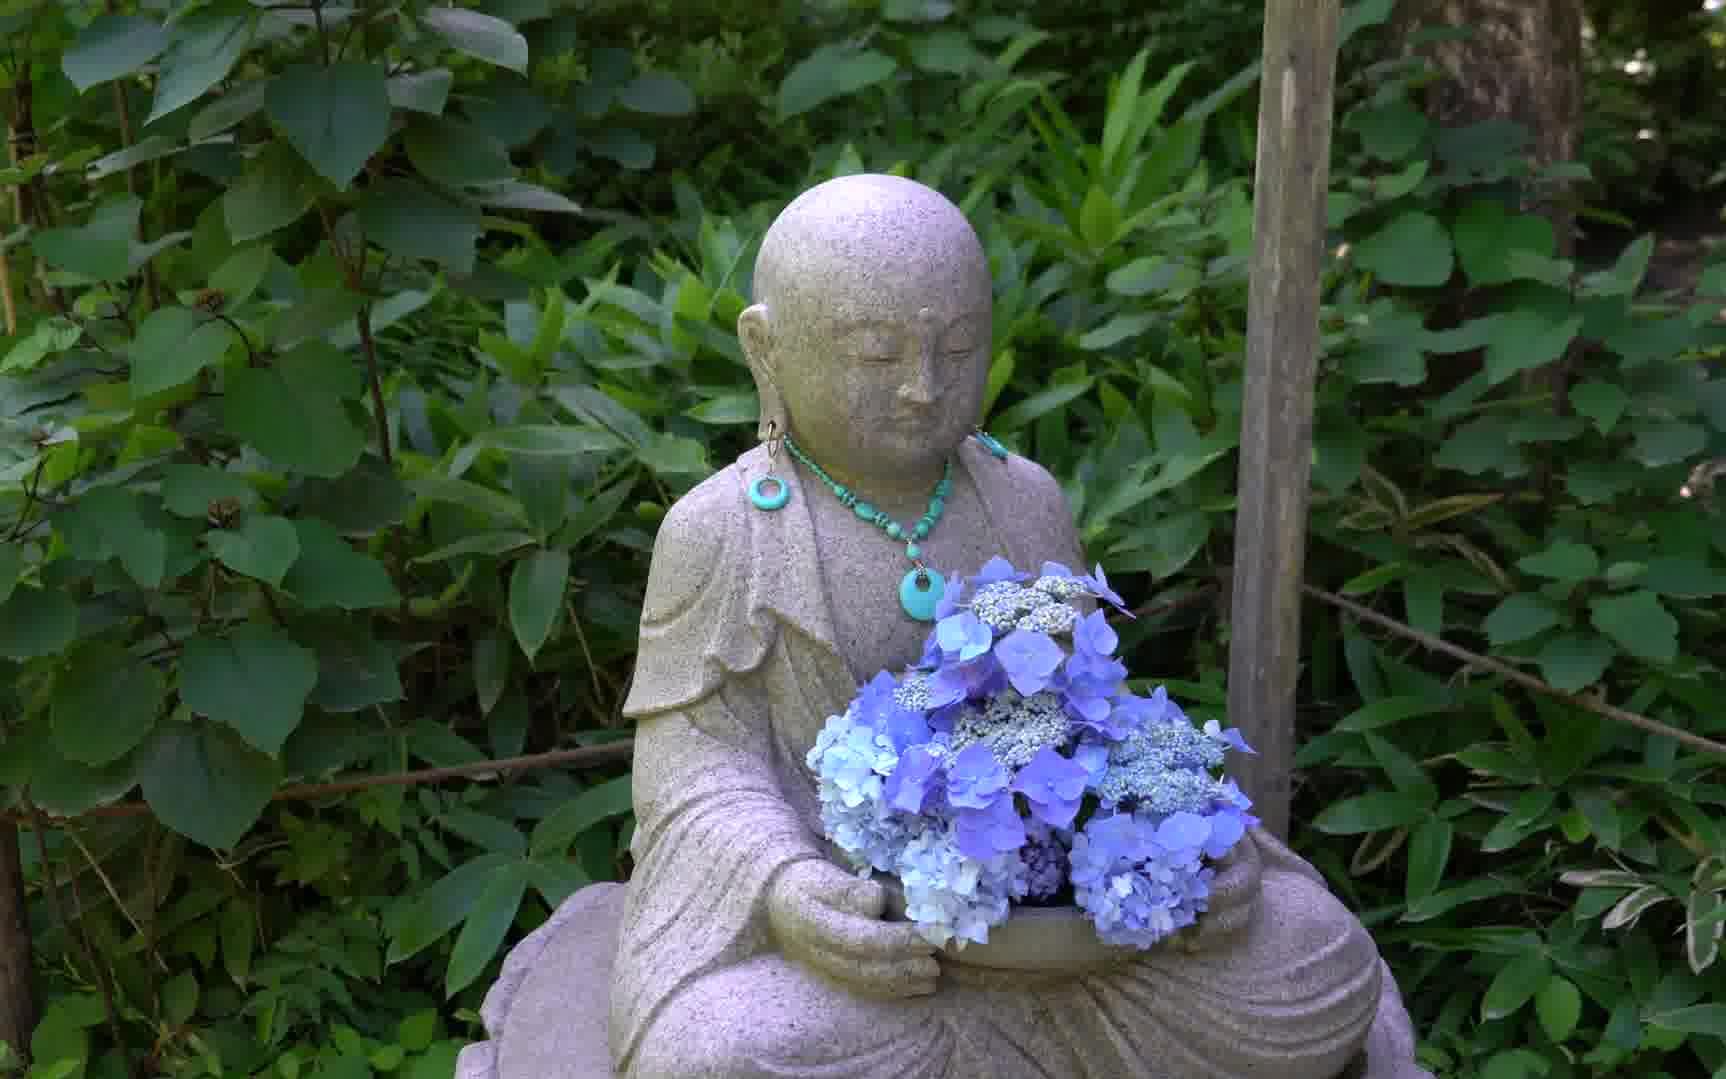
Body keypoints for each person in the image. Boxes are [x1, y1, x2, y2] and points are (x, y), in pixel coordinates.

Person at [460, 173, 1430, 1079]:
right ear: (768, 349)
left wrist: (1181, 849)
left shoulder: (1021, 499)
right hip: (859, 952)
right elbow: (694, 768)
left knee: (1317, 959)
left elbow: (1095, 723)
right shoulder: (722, 532)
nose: (924, 382)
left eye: (958, 345)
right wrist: (789, 890)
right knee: (712, 1051)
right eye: (876, 352)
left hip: (1054, 932)